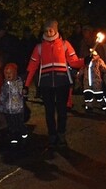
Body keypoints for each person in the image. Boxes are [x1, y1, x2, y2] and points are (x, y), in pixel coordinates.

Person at [24, 19, 85, 148]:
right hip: (46, 84)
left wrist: (86, 60)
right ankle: (52, 134)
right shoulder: (39, 47)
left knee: (62, 111)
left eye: (51, 29)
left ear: (56, 29)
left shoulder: (64, 44)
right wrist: (26, 85)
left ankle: (61, 134)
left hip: (62, 83)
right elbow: (32, 67)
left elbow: (74, 62)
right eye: (46, 30)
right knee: (49, 111)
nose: (49, 32)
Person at [0, 63, 28, 147]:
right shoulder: (4, 85)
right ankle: (13, 138)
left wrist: (23, 92)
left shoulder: (19, 83)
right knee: (11, 124)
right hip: (8, 109)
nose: (8, 75)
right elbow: (2, 95)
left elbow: (22, 92)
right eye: (6, 73)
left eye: (10, 72)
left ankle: (23, 133)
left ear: (15, 73)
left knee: (19, 123)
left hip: (18, 109)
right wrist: (1, 106)